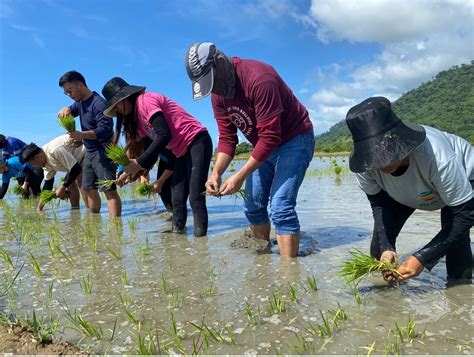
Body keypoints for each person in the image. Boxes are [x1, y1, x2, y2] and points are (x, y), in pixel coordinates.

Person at [185, 42, 314, 257]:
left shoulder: (259, 79)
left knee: (281, 206)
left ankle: (289, 275)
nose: (214, 90)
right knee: (253, 204)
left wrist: (239, 176)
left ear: (220, 62)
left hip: (294, 138)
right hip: (264, 144)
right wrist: (216, 172)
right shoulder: (218, 96)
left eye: (212, 81)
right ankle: (263, 262)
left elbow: (271, 136)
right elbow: (227, 138)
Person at [345, 96, 473, 282]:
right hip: (407, 193)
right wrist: (387, 246)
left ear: (402, 143)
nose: (381, 164)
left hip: (465, 181)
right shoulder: (365, 166)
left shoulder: (438, 158)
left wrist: (422, 258)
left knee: (456, 246)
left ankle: (461, 294)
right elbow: (379, 206)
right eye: (375, 157)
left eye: (387, 154)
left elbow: (465, 215)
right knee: (379, 250)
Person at [101, 77, 212, 236]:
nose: (117, 110)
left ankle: (201, 247)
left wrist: (138, 162)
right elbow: (150, 152)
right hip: (180, 151)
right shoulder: (138, 122)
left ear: (125, 98)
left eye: (116, 105)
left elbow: (164, 135)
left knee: (196, 196)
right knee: (177, 197)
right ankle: (180, 242)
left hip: (196, 140)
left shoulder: (146, 101)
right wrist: (130, 173)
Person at [57, 70, 121, 217]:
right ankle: (94, 222)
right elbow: (70, 111)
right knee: (88, 188)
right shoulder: (79, 103)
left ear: (80, 85)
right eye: (66, 93)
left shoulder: (98, 103)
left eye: (70, 91)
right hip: (89, 152)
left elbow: (105, 129)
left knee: (109, 190)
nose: (69, 95)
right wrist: (65, 109)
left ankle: (115, 229)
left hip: (103, 152)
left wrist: (82, 135)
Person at [19, 135, 87, 211]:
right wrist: (39, 208)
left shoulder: (54, 150)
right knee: (70, 184)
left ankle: (90, 212)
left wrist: (63, 187)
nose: (35, 166)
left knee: (80, 181)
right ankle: (75, 211)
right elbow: (48, 184)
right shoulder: (45, 163)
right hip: (75, 161)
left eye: (34, 164)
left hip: (85, 152)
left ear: (37, 157)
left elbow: (76, 169)